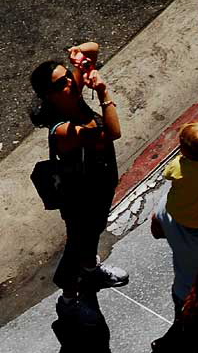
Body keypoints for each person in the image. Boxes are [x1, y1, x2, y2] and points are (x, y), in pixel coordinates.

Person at [30, 43, 128, 321]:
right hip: (80, 198)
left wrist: (78, 54)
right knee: (77, 244)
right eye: (61, 84)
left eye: (69, 78)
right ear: (48, 97)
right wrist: (103, 92)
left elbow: (93, 49)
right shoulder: (63, 130)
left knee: (92, 235)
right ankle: (69, 297)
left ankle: (90, 269)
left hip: (100, 186)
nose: (70, 84)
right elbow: (113, 132)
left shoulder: (72, 98)